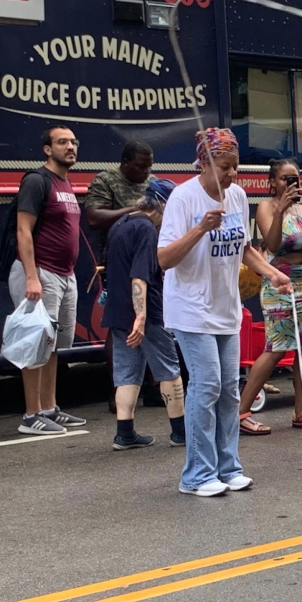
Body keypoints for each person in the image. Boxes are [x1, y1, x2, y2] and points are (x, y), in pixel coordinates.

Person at [157, 127, 290, 498]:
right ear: (204, 163)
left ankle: (228, 467)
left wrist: (273, 272)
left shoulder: (237, 196)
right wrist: (201, 228)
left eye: (236, 167)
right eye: (226, 167)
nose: (233, 175)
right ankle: (196, 474)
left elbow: (245, 249)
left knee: (230, 390)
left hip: (225, 308)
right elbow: (164, 259)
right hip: (191, 308)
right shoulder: (183, 198)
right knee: (208, 384)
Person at [238, 159, 302, 435]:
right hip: (278, 281)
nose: (292, 184)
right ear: (272, 182)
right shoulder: (267, 207)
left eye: (296, 179)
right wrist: (280, 209)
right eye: (285, 179)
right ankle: (242, 411)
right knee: (277, 346)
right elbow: (273, 245)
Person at [9, 126, 87, 435]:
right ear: (46, 149)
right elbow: (23, 230)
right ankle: (30, 416)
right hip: (41, 272)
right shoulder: (36, 181)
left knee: (52, 345)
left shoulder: (65, 183)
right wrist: (32, 277)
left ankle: (49, 408)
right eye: (62, 142)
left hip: (64, 275)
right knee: (35, 343)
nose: (70, 147)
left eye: (73, 142)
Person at [102, 191, 186, 449]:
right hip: (145, 311)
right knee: (169, 369)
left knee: (127, 371)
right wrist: (141, 316)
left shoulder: (120, 224)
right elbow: (139, 276)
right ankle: (181, 432)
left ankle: (124, 433)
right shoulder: (146, 229)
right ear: (160, 205)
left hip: (117, 310)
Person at [84, 140, 154, 259]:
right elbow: (94, 219)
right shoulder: (106, 180)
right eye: (141, 166)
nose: (146, 171)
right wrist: (136, 209)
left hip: (147, 254)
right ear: (125, 162)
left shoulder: (153, 183)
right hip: (117, 256)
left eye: (149, 167)